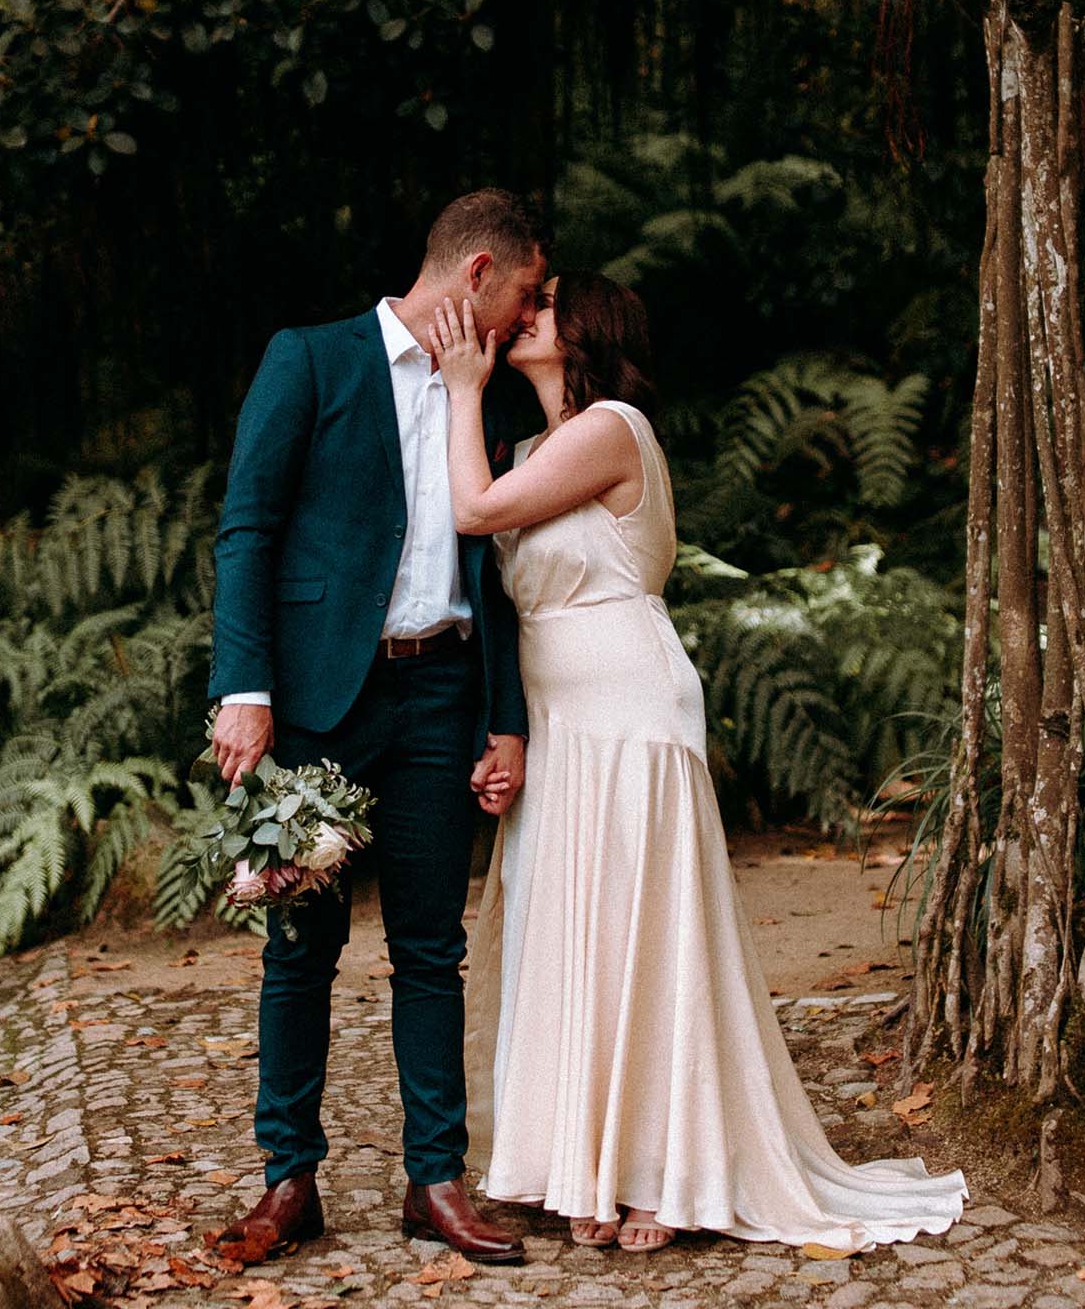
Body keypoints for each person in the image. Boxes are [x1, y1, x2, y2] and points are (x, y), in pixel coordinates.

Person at [433, 271, 969, 1255]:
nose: (525, 317)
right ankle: (583, 1165)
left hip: (631, 707)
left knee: (641, 937)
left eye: (544, 305)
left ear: (587, 332)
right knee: (574, 935)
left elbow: (472, 512)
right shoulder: (534, 446)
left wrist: (463, 385)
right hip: (562, 718)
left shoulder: (611, 429)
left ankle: (667, 1176)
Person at [206, 189, 547, 1266]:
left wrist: (504, 716)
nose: (527, 318)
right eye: (525, 295)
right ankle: (288, 1179)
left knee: (430, 950)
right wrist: (246, 684)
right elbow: (248, 527)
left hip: (443, 694)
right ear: (478, 272)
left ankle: (433, 1181)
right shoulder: (309, 360)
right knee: (300, 950)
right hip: (318, 700)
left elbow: (493, 566)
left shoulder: (482, 392)